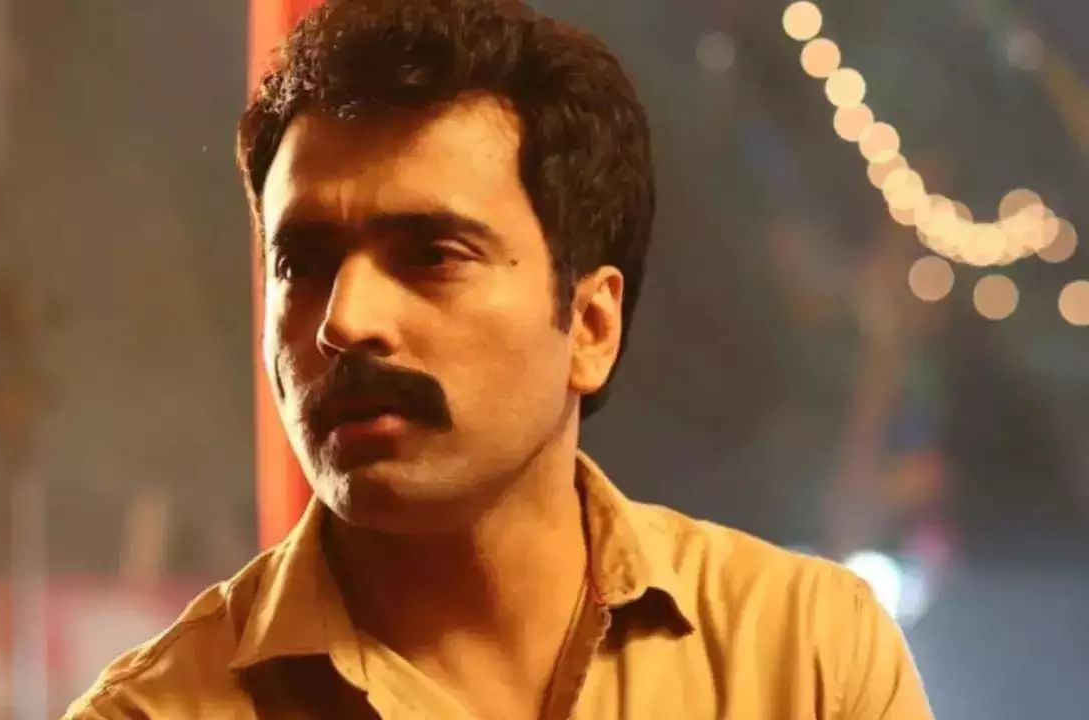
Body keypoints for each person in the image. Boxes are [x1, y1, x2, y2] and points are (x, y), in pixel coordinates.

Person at [66, 0, 934, 717]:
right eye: (302, 264)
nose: (345, 322)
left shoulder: (803, 659)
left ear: (590, 326)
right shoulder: (157, 712)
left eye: (432, 256)